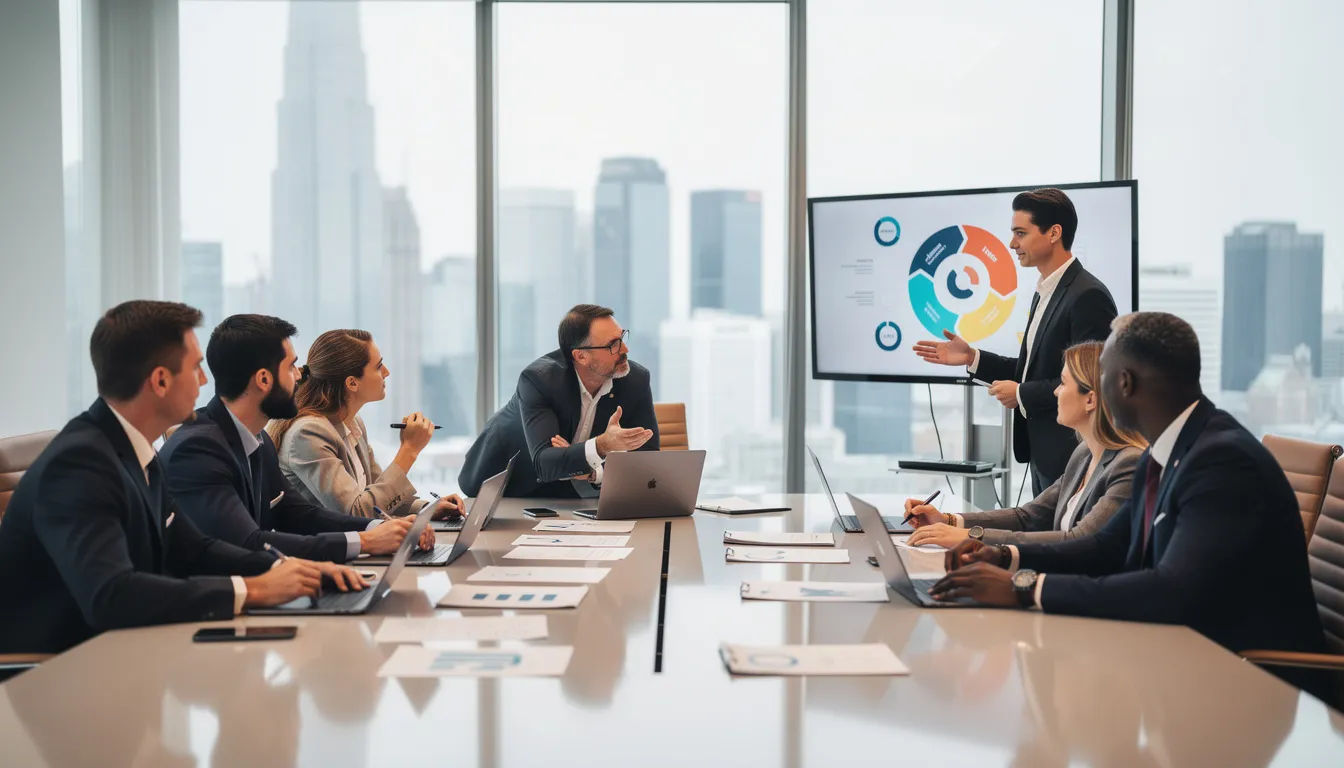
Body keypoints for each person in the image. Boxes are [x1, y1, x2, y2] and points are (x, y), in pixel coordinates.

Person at [929, 312, 1325, 656]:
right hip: (1182, 653)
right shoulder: (1170, 448)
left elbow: (1173, 591)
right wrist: (1004, 558)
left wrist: (1023, 588)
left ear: (1125, 383)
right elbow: (1105, 547)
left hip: (1246, 679)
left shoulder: (1222, 462)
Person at [0, 301, 366, 655]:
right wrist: (251, 591)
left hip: (121, 656)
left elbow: (194, 548)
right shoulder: (80, 464)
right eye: (195, 368)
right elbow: (111, 595)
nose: (205, 379)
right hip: (56, 676)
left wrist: (288, 569)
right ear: (160, 380)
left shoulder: (132, 450)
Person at [160, 315, 434, 563]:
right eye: (291, 367)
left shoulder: (258, 441)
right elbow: (248, 542)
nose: (301, 375)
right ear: (264, 380)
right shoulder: (198, 449)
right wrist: (364, 541)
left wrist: (379, 529)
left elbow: (298, 515)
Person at [914, 188, 1118, 494]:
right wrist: (972, 358)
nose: (1012, 244)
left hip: (1070, 456)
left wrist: (1022, 394)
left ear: (1053, 233)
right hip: (1044, 455)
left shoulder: (1087, 296)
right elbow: (1032, 371)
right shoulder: (1045, 292)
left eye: (1020, 233)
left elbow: (1089, 384)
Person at [905, 341, 1145, 548]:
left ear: (1090, 399)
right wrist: (947, 521)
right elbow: (1028, 517)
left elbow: (1078, 541)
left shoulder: (1129, 464)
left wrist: (969, 537)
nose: (1056, 392)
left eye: (1062, 383)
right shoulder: (1084, 454)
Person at [458, 304, 659, 497]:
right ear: (581, 356)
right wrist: (601, 446)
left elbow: (647, 461)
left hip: (570, 495)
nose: (625, 349)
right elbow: (546, 464)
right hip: (508, 485)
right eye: (613, 345)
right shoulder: (540, 380)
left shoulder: (635, 380)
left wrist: (590, 470)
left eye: (622, 338)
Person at [268, 328, 466, 519]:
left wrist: (429, 508)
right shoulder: (308, 433)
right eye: (379, 366)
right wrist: (409, 450)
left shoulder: (353, 423)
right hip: (327, 550)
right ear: (352, 383)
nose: (387, 372)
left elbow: (377, 496)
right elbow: (359, 512)